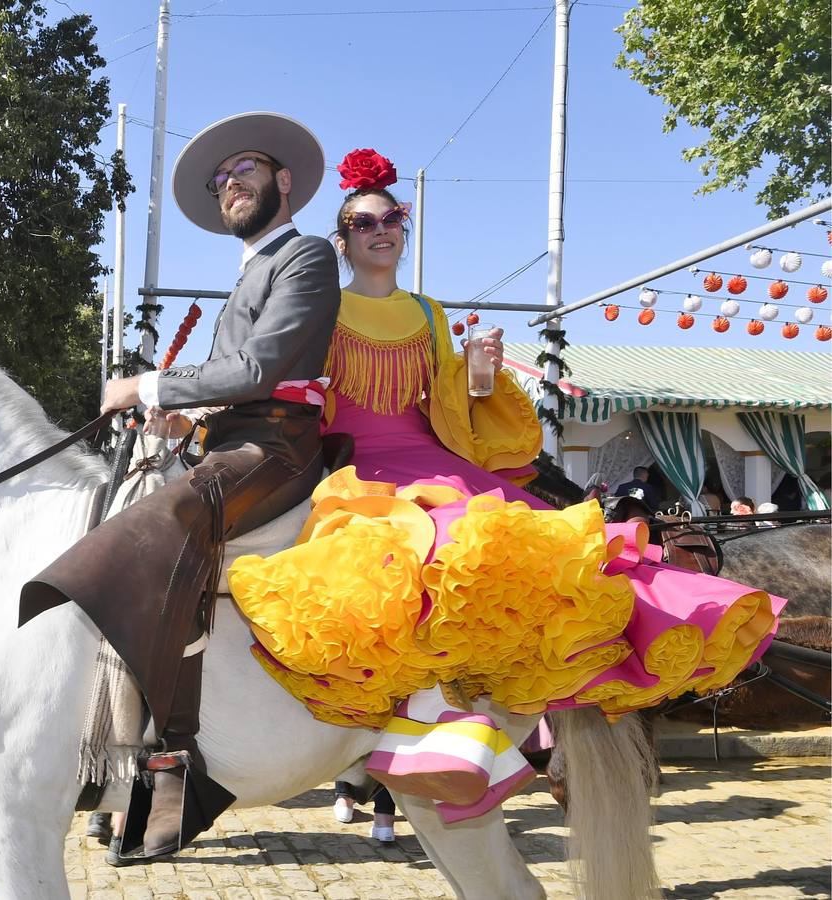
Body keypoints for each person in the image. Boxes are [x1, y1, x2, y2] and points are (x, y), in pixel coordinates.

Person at [226, 149, 786, 822]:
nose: (382, 229)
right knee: (415, 561)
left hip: (435, 458)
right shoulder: (326, 309)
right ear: (342, 240)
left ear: (403, 230)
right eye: (363, 221)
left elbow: (453, 404)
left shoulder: (430, 313)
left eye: (393, 218)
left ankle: (523, 716)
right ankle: (413, 734)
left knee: (544, 554)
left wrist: (482, 372)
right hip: (356, 466)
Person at [19, 111, 340, 863]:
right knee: (130, 498)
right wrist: (182, 415)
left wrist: (144, 384)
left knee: (163, 521)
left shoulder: (308, 256)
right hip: (231, 437)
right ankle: (120, 741)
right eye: (221, 180)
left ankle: (180, 759)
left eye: (246, 172)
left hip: (278, 447)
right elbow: (235, 382)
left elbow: (260, 374)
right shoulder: (247, 274)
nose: (232, 186)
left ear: (283, 182)